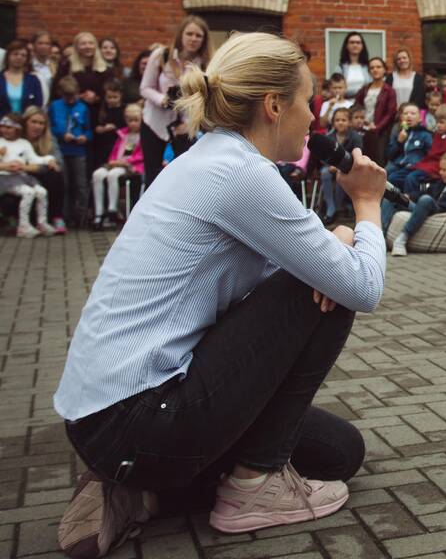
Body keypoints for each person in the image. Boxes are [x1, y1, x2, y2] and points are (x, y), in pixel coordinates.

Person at [54, 33, 387, 555]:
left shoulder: (206, 159)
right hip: (140, 419)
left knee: (338, 452)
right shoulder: (242, 174)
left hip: (102, 420)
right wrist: (366, 206)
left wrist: (334, 240)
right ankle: (253, 487)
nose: (314, 118)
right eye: (308, 100)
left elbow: (265, 283)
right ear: (275, 106)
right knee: (329, 290)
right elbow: (361, 287)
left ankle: (138, 492)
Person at [141, 16, 212, 187]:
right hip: (155, 122)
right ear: (181, 34)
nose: (193, 39)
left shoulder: (205, 64)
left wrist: (190, 122)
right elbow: (145, 88)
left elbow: (205, 98)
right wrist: (163, 99)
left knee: (184, 174)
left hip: (185, 126)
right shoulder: (161, 56)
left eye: (198, 36)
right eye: (189, 34)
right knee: (153, 174)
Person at [388, 150, 446, 257]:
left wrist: (436, 203)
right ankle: (382, 236)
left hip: (438, 211)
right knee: (393, 197)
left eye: (444, 170)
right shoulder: (440, 182)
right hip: (422, 209)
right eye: (440, 169)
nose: (440, 172)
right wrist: (410, 196)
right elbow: (426, 190)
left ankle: (402, 239)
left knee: (426, 200)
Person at [0, 113, 55, 237]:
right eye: (3, 126)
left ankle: (42, 222)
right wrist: (5, 164)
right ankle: (23, 225)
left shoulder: (24, 143)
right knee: (28, 192)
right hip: (4, 178)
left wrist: (48, 159)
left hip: (22, 177)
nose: (5, 130)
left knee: (41, 191)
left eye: (9, 127)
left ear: (18, 128)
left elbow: (34, 159)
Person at [91, 104, 144, 230]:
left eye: (136, 120)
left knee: (113, 174)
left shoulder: (144, 136)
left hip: (131, 166)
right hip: (117, 163)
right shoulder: (122, 135)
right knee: (97, 174)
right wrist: (113, 161)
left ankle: (112, 210)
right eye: (129, 120)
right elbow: (114, 153)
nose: (133, 123)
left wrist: (124, 162)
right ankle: (99, 213)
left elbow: (142, 155)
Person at [403, 104, 446, 199]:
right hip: (429, 165)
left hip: (441, 167)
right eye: (437, 122)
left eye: (441, 122)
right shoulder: (438, 134)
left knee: (412, 178)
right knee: (398, 176)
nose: (438, 125)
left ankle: (410, 203)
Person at [49, 76, 91, 225]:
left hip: (78, 151)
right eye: (67, 96)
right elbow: (50, 128)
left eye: (73, 96)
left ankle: (81, 216)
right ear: (61, 93)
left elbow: (89, 131)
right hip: (61, 149)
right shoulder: (55, 106)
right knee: (64, 184)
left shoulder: (83, 107)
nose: (71, 100)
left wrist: (84, 137)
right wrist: (61, 134)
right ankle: (64, 216)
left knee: (81, 184)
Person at [21, 105, 67, 233]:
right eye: (34, 122)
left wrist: (36, 168)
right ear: (25, 122)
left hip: (42, 177)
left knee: (56, 175)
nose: (37, 126)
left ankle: (56, 217)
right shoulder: (18, 140)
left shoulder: (50, 139)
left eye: (41, 123)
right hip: (20, 177)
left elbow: (58, 163)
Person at [319, 107, 365, 225]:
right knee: (324, 172)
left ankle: (338, 206)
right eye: (337, 120)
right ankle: (331, 206)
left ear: (349, 122)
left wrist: (340, 166)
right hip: (330, 167)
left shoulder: (355, 137)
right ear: (333, 122)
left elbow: (357, 155)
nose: (340, 122)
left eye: (343, 120)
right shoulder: (329, 136)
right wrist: (331, 164)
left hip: (349, 168)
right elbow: (323, 156)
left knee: (341, 175)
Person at [356, 57, 397, 165]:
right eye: (372, 67)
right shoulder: (364, 89)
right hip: (364, 129)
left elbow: (391, 113)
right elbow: (357, 107)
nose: (375, 70)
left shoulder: (389, 91)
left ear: (384, 70)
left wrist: (377, 127)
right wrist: (360, 121)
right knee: (364, 161)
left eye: (378, 67)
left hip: (380, 132)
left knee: (378, 161)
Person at [60, 32, 111, 109]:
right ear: (76, 47)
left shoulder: (105, 69)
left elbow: (110, 91)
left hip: (97, 111)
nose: (87, 46)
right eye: (83, 44)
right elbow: (58, 90)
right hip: (72, 109)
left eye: (91, 43)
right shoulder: (67, 66)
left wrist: (96, 97)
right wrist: (77, 96)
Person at [386, 103, 431, 189]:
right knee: (387, 174)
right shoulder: (399, 132)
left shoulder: (425, 135)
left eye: (413, 113)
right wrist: (398, 142)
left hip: (414, 168)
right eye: (405, 113)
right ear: (401, 118)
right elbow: (389, 154)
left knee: (395, 178)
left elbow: (430, 155)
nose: (408, 116)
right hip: (399, 165)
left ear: (420, 118)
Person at [1, 39, 44, 116]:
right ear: (8, 56)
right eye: (15, 54)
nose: (19, 57)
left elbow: (38, 106)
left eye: (23, 55)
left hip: (25, 124)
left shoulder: (33, 80)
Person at [93, 81, 126, 173]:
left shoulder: (124, 110)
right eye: (109, 97)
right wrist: (98, 129)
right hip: (102, 145)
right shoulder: (102, 110)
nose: (112, 100)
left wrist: (115, 128)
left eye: (115, 97)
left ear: (121, 96)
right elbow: (95, 124)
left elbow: (126, 128)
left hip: (117, 144)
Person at [337, 31, 371, 97]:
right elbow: (336, 88)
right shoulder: (340, 67)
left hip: (366, 103)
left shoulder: (369, 66)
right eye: (352, 42)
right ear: (346, 45)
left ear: (362, 46)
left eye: (358, 43)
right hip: (345, 104)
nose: (355, 45)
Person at [30, 31, 57, 105]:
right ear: (33, 45)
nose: (43, 46)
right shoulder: (28, 65)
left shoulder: (56, 65)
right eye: (40, 43)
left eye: (47, 44)